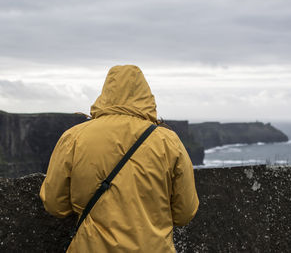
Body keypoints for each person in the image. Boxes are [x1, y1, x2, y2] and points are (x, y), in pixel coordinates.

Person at [40, 65, 199, 252]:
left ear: (106, 93)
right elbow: (184, 213)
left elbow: (55, 204)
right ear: (146, 95)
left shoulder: (74, 137)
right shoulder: (168, 141)